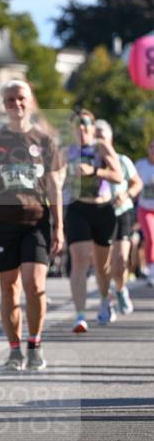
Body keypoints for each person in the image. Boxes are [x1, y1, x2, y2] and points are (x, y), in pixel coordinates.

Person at [0, 80, 64, 371]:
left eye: (21, 98)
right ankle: (14, 351)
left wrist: (59, 226)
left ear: (31, 101)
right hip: (1, 222)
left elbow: (54, 187)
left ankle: (34, 344)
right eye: (10, 99)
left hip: (36, 222)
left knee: (34, 286)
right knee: (9, 289)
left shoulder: (45, 142)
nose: (16, 104)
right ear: (4, 104)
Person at [64, 109, 123, 331]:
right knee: (79, 260)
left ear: (91, 126)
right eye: (77, 125)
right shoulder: (66, 151)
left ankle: (104, 300)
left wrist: (95, 171)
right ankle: (80, 315)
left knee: (102, 266)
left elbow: (118, 175)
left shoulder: (101, 147)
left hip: (103, 209)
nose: (82, 128)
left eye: (85, 124)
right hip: (77, 208)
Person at [94, 120, 142, 314]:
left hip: (121, 212)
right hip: (98, 214)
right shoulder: (88, 162)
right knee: (103, 265)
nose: (99, 141)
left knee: (120, 260)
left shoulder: (122, 160)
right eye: (95, 136)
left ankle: (121, 289)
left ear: (110, 138)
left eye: (102, 136)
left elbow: (136, 183)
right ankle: (105, 300)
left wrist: (127, 194)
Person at [135, 138, 154, 287]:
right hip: (145, 208)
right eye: (152, 147)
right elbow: (133, 183)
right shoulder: (141, 165)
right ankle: (151, 268)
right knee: (151, 237)